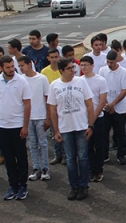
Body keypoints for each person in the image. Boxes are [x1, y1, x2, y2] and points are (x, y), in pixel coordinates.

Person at [48, 58, 95, 201]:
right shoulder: (55, 85)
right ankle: (74, 186)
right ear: (61, 70)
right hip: (65, 128)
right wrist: (56, 130)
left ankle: (83, 185)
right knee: (70, 159)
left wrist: (91, 125)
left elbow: (89, 104)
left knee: (83, 158)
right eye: (69, 68)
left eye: (73, 67)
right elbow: (53, 109)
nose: (73, 70)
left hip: (81, 126)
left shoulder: (81, 82)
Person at [0, 56, 31, 201]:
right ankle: (13, 186)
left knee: (21, 157)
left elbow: (27, 105)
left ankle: (22, 186)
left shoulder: (22, 81)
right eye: (8, 67)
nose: (11, 69)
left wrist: (25, 126)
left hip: (17, 126)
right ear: (1, 68)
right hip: (2, 126)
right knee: (8, 158)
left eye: (13, 66)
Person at [18, 56, 50, 183]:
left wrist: (48, 117)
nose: (21, 68)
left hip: (40, 115)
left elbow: (47, 98)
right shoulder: (21, 80)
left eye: (22, 65)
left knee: (43, 142)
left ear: (29, 64)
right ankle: (36, 167)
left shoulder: (41, 78)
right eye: (19, 66)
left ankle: (45, 168)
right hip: (28, 117)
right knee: (32, 144)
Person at [99, 51, 126, 166]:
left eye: (111, 62)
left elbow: (125, 90)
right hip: (106, 107)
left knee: (120, 132)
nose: (109, 64)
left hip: (120, 108)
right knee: (104, 133)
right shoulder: (102, 71)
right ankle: (104, 154)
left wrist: (113, 104)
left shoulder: (123, 72)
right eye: (108, 62)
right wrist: (107, 104)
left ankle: (121, 155)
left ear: (116, 61)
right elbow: (101, 89)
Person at [80, 56, 108, 183]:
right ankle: (91, 170)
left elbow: (102, 102)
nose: (83, 68)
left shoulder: (100, 80)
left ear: (92, 65)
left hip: (98, 117)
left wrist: (93, 118)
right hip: (84, 119)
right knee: (88, 145)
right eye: (81, 65)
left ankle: (99, 169)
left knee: (99, 145)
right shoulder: (79, 81)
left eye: (86, 65)